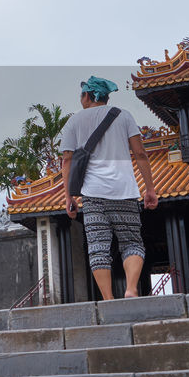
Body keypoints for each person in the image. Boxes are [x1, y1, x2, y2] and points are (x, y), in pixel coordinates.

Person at [60, 76, 159, 299]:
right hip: (125, 192)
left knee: (98, 248)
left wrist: (68, 196)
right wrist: (150, 188)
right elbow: (140, 153)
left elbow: (66, 160)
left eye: (82, 94)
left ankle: (108, 299)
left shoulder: (74, 122)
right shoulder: (124, 116)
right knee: (132, 242)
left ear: (88, 95)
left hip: (93, 195)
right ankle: (131, 289)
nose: (81, 99)